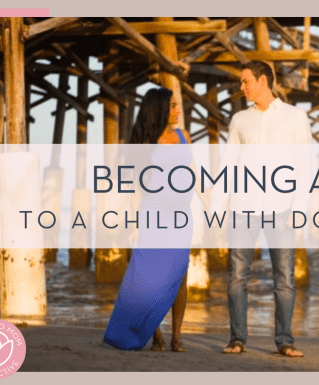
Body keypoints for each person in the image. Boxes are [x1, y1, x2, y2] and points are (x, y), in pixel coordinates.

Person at [218, 61, 311, 357]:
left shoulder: (295, 117)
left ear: (262, 80)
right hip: (243, 207)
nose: (241, 87)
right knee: (236, 276)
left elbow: (305, 166)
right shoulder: (239, 120)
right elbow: (227, 166)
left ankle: (285, 340)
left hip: (282, 208)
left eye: (245, 81)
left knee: (284, 279)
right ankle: (237, 339)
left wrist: (300, 208)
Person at [103, 87, 193, 352]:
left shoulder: (183, 136)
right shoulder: (145, 143)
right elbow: (135, 187)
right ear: (160, 110)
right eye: (173, 106)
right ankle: (156, 336)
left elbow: (192, 174)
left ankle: (176, 337)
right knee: (148, 276)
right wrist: (132, 224)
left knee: (180, 274)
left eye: (177, 106)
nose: (177, 112)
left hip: (181, 216)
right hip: (153, 214)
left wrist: (207, 200)